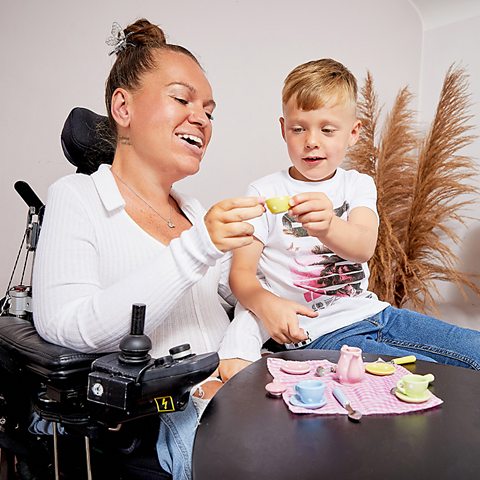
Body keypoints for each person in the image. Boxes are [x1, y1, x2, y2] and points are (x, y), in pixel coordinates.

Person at [32, 18, 262, 480]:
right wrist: (198, 247)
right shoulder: (76, 198)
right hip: (161, 420)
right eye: (182, 99)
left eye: (209, 110)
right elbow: (66, 322)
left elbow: (242, 300)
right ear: (123, 106)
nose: (201, 118)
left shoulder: (196, 211)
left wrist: (268, 275)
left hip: (237, 395)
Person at [218, 58, 480, 373]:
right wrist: (266, 305)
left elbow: (363, 245)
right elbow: (241, 274)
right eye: (298, 128)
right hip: (316, 334)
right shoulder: (263, 191)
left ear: (353, 132)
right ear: (283, 129)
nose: (311, 141)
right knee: (430, 374)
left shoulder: (357, 184)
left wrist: (329, 225)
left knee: (472, 350)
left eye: (327, 129)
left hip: (375, 312)